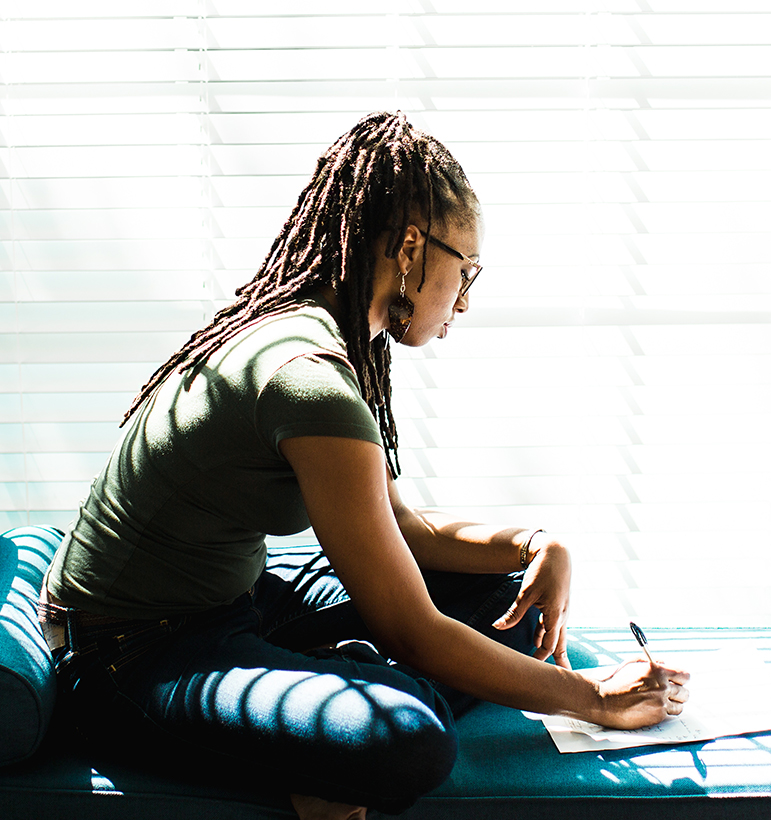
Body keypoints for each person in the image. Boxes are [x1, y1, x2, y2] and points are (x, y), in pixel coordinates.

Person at [38, 111, 689, 819]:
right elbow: (409, 628)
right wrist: (594, 699)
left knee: (509, 607)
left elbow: (402, 527)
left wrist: (535, 544)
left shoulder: (330, 337)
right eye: (463, 270)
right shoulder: (306, 376)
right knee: (410, 741)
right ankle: (334, 725)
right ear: (410, 247)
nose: (465, 300)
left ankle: (332, 702)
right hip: (125, 658)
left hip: (231, 606)